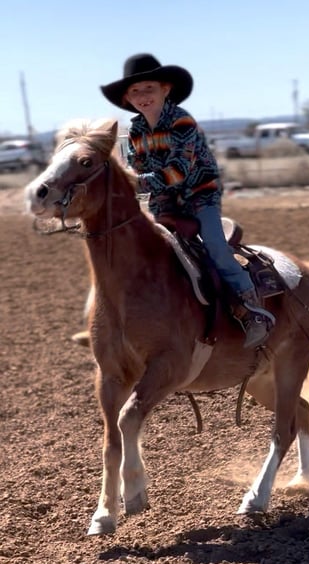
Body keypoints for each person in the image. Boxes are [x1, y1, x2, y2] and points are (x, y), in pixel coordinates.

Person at [100, 53, 275, 349]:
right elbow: (137, 168)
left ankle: (252, 309)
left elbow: (179, 170)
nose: (142, 96)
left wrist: (135, 182)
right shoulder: (136, 132)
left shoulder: (181, 121)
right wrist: (129, 185)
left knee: (216, 247)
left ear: (165, 89)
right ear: (127, 99)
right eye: (135, 91)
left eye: (149, 88)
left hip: (200, 196)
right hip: (163, 201)